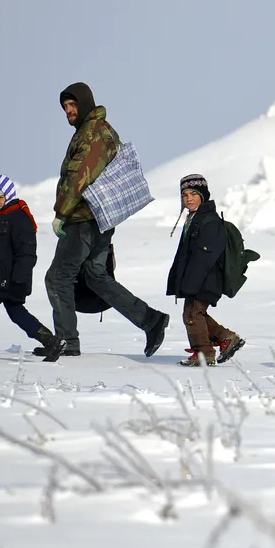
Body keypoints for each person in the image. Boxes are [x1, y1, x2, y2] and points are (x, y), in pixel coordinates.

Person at [43, 82, 170, 357]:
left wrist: (61, 213)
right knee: (95, 276)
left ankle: (66, 341)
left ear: (85, 103)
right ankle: (151, 320)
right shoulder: (95, 131)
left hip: (83, 219)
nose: (68, 110)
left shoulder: (91, 133)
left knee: (58, 277)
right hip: (99, 218)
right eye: (65, 107)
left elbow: (79, 177)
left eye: (73, 105)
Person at [0, 175, 65, 363]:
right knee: (16, 311)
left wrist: (19, 277)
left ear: (8, 195)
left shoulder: (19, 219)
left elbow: (27, 251)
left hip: (7, 278)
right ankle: (51, 342)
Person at [165, 174, 246, 366]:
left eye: (194, 194)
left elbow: (205, 256)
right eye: (185, 195)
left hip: (206, 278)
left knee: (192, 314)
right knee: (195, 314)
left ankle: (204, 353)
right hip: (198, 277)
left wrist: (191, 283)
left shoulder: (209, 221)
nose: (189, 199)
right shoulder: (194, 218)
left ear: (203, 195)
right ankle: (226, 338)